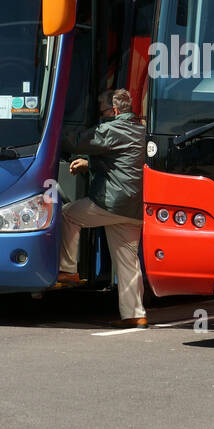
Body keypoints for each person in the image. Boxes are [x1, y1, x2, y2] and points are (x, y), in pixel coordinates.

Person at [56, 89, 147, 327]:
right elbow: (121, 162)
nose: (101, 116)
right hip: (136, 208)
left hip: (112, 203)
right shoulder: (140, 130)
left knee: (68, 215)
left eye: (103, 112)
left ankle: (67, 270)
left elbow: (76, 141)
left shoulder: (112, 129)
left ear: (114, 111)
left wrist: (49, 124)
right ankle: (135, 314)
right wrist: (89, 164)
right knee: (128, 260)